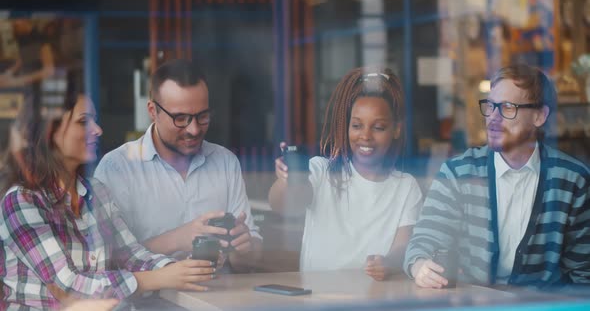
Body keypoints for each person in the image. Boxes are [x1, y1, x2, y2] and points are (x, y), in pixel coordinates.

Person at [0, 76, 216, 310]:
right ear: (49, 131)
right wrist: (154, 279)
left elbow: (132, 255)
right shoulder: (21, 201)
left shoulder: (97, 193)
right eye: (84, 122)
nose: (98, 130)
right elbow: (69, 286)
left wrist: (183, 270)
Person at [405, 64, 590, 288]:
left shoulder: (572, 180)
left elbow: (583, 275)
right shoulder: (459, 173)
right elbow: (423, 243)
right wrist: (420, 266)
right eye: (491, 106)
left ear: (539, 116)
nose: (493, 118)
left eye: (508, 107)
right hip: (475, 304)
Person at [94, 59, 262, 271]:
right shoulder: (117, 168)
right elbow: (105, 261)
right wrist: (177, 239)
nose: (193, 129)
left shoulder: (225, 162)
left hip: (218, 299)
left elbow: (250, 257)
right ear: (153, 111)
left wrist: (244, 248)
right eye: (180, 118)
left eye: (202, 116)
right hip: (149, 302)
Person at [269, 67, 423, 280]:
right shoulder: (321, 170)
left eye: (378, 127)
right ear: (346, 126)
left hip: (374, 300)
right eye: (357, 125)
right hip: (318, 298)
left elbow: (403, 246)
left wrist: (388, 263)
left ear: (396, 129)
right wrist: (289, 179)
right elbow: (280, 204)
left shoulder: (406, 186)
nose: (365, 136)